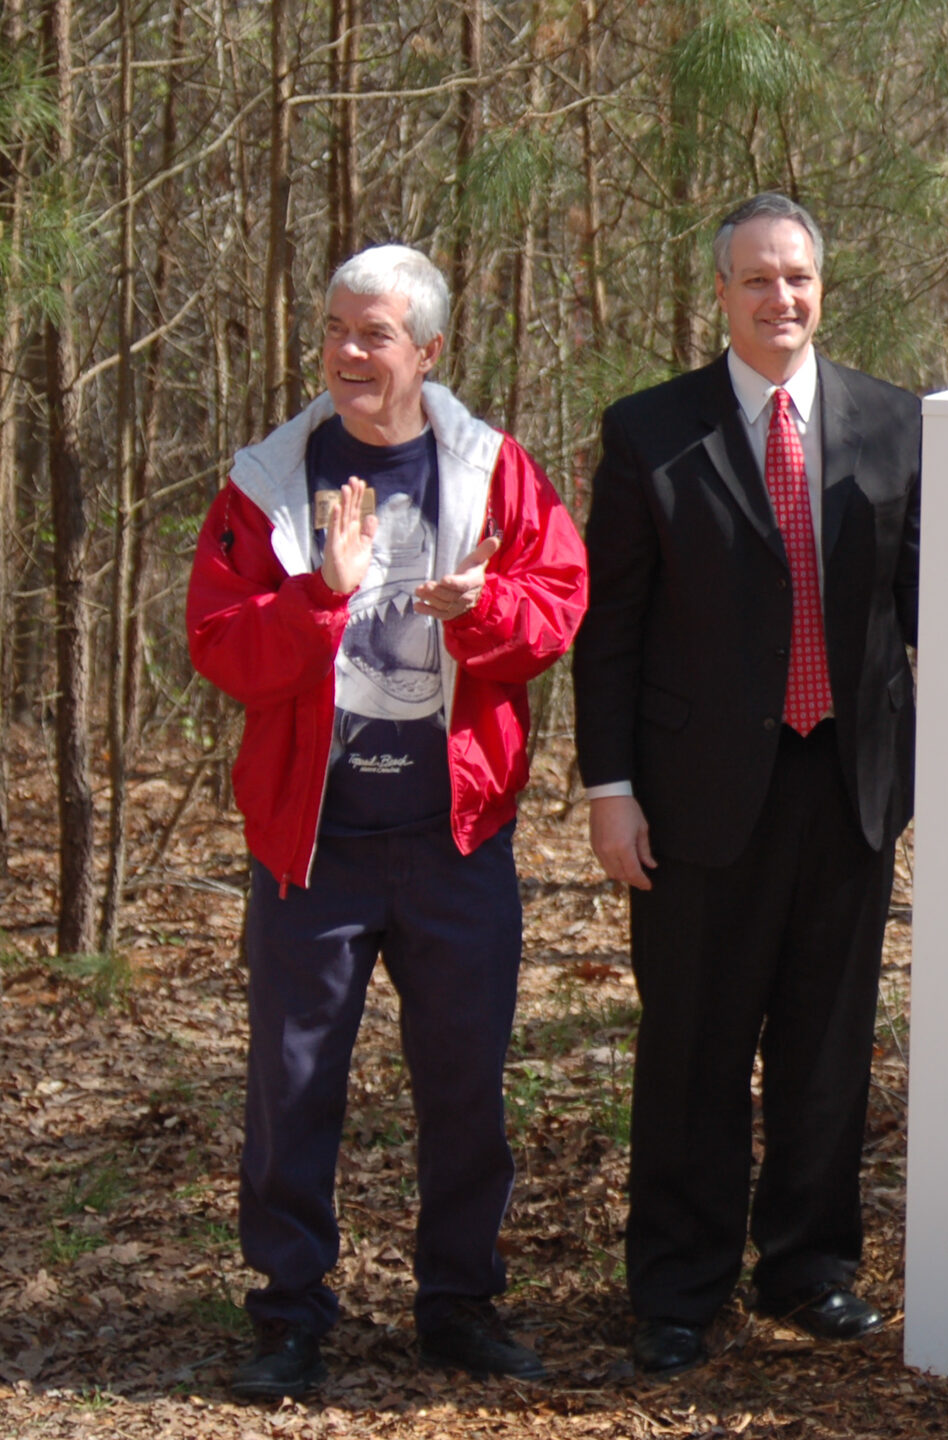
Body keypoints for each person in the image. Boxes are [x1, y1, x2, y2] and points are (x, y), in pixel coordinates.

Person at [186, 243, 589, 1399]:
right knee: (293, 1084)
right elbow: (222, 647)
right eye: (334, 330)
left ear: (428, 351)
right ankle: (290, 1314)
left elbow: (557, 605)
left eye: (374, 334)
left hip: (454, 839)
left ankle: (458, 1303)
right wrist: (318, 593)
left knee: (463, 1084)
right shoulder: (267, 480)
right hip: (313, 847)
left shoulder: (492, 470)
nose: (349, 353)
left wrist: (483, 608)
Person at [573, 193, 920, 1376]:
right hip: (697, 792)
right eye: (758, 280)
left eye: (800, 278)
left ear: (825, 287)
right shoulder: (650, 432)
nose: (782, 299)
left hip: (849, 788)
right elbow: (608, 626)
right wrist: (607, 787)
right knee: (693, 1047)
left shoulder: (896, 426)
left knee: (827, 1042)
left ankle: (809, 1266)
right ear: (719, 295)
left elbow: (930, 613)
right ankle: (678, 1287)